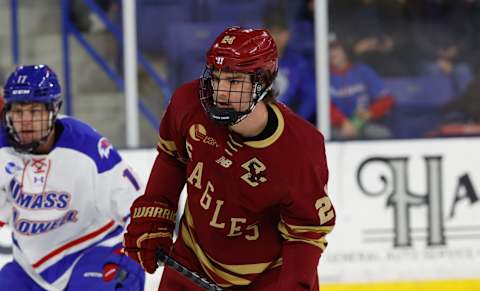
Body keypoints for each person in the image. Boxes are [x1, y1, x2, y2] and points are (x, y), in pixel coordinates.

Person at [123, 26, 336, 290]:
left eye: (234, 82)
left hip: (268, 277)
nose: (221, 91)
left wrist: (295, 284)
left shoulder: (300, 148)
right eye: (216, 78)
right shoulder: (188, 104)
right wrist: (156, 213)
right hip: (192, 260)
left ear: (263, 82)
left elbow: (306, 232)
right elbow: (172, 158)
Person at [0, 64, 145, 290]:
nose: (25, 120)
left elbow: (134, 202)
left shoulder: (87, 147)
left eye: (34, 111)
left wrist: (143, 237)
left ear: (53, 110)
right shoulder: (2, 151)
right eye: (18, 112)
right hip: (30, 269)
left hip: (94, 248)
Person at [329, 35, 394, 140]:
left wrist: (370, 112)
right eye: (329, 49)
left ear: (345, 50)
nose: (332, 53)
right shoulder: (322, 76)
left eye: (336, 48)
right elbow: (322, 106)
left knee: (382, 134)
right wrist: (342, 122)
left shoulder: (362, 71)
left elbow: (386, 99)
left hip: (365, 122)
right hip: (337, 127)